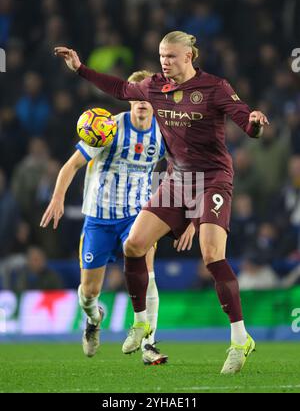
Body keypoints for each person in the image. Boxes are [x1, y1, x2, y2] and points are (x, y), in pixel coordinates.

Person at [54, 30, 269, 374]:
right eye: (161, 56)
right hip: (177, 179)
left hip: (211, 177)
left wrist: (256, 125)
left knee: (212, 255)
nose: (165, 62)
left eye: (171, 56)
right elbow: (118, 88)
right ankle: (141, 322)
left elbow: (247, 122)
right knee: (135, 245)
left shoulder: (215, 87)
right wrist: (80, 68)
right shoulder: (154, 86)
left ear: (189, 57)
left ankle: (240, 337)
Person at [40, 69, 194, 365]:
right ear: (129, 100)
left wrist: (186, 215)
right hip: (98, 219)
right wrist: (58, 198)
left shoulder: (163, 134)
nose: (141, 102)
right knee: (89, 293)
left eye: (146, 96)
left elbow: (183, 170)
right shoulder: (108, 129)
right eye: (135, 96)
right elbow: (71, 166)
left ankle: (150, 345)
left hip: (137, 217)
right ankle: (94, 317)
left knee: (148, 278)